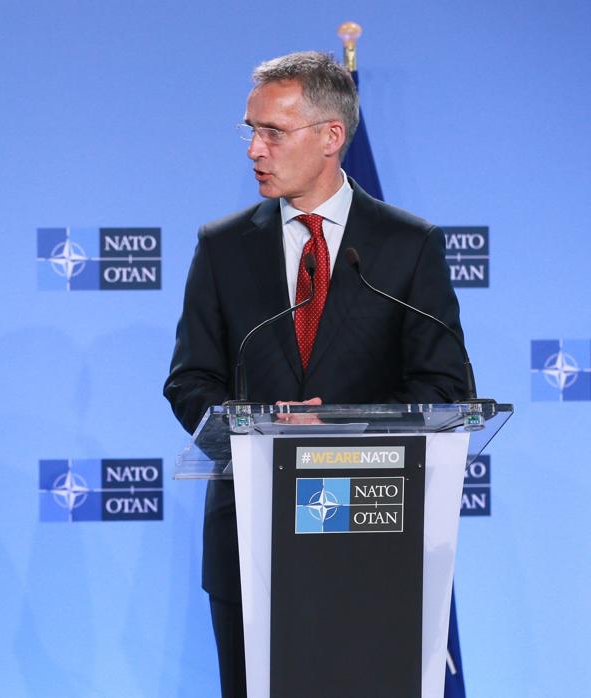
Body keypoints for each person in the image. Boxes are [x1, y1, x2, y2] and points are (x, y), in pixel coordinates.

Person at [162, 52, 466, 697]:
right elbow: (190, 380)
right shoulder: (223, 245)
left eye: (273, 131)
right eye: (250, 130)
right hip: (251, 537)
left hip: (371, 532)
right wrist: (258, 429)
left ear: (332, 136)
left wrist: (342, 431)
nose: (254, 150)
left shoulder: (406, 245)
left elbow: (444, 387)